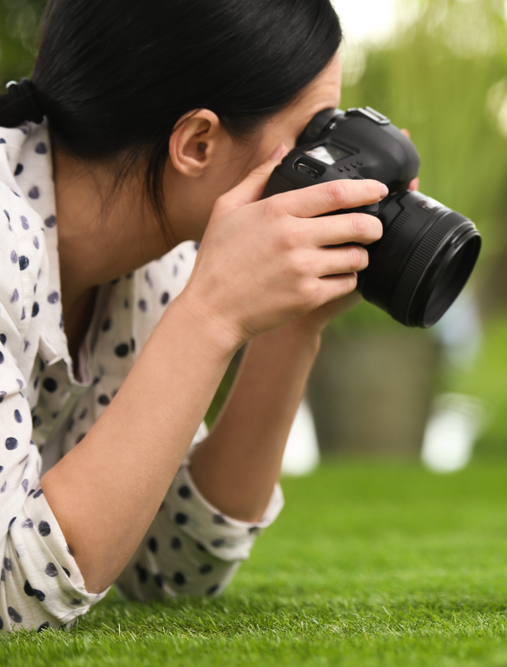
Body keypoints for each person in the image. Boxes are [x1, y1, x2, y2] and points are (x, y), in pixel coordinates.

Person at [0, 0, 386, 632]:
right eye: (315, 133)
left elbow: (174, 565)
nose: (331, 160)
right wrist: (208, 317)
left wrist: (296, 324)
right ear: (197, 142)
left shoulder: (157, 262)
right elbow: (13, 594)